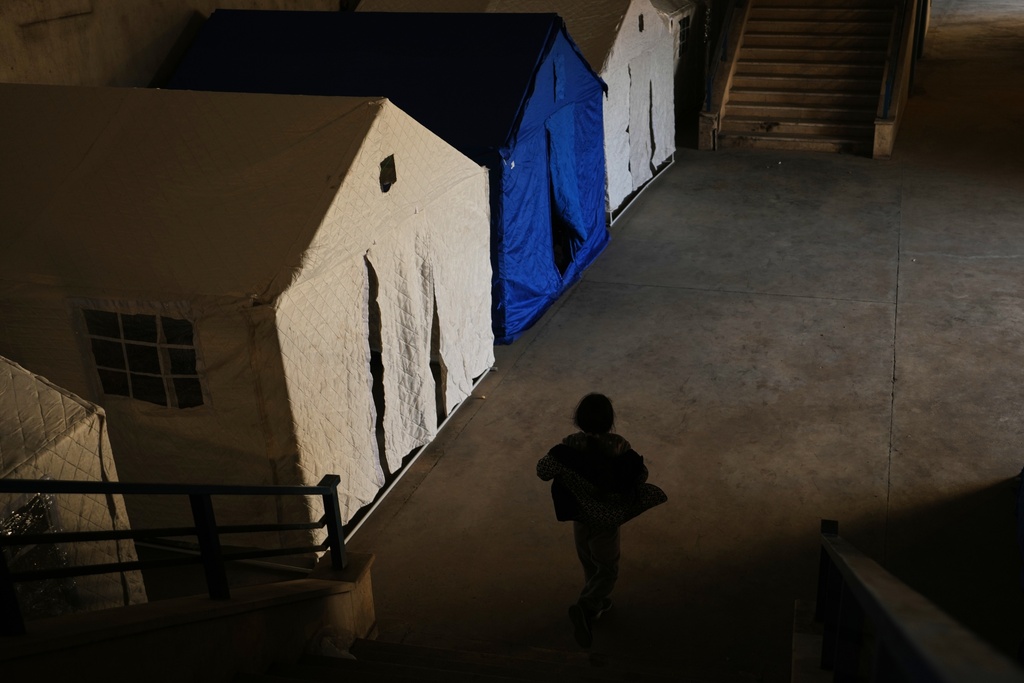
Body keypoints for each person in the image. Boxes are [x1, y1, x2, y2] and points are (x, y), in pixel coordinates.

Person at [536, 393, 666, 648]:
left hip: (579, 515)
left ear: (578, 420)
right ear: (610, 422)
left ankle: (597, 601)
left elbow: (543, 471)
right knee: (607, 567)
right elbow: (640, 475)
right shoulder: (619, 447)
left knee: (588, 560)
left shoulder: (568, 447)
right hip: (607, 519)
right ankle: (587, 605)